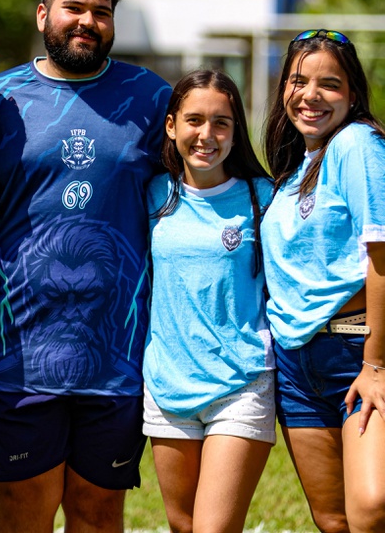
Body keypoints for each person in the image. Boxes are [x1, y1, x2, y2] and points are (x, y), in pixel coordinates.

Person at [0, 0, 172, 533]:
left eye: (102, 12)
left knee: (98, 512)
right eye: (74, 7)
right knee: (23, 512)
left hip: (118, 354)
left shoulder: (152, 99)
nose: (88, 21)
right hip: (16, 353)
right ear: (43, 14)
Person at [262, 29, 385, 533]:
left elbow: (381, 254)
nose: (310, 95)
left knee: (371, 508)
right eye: (299, 81)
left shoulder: (358, 143)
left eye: (329, 84)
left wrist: (375, 364)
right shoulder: (293, 170)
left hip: (356, 352)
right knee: (332, 520)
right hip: (295, 363)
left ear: (352, 95)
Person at [143, 69, 276, 533]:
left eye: (221, 123)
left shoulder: (262, 198)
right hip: (167, 384)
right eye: (194, 120)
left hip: (241, 383)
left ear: (236, 131)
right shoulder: (152, 194)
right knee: (182, 524)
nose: (207, 135)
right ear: (171, 126)